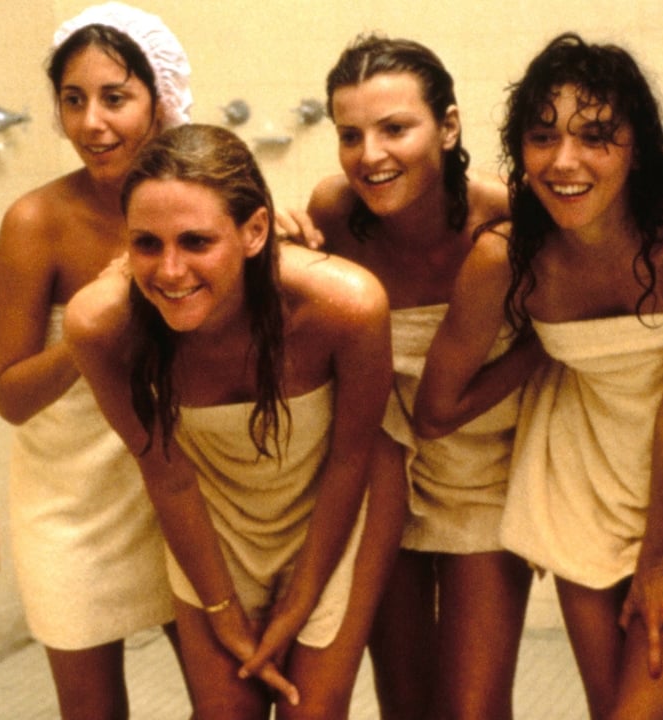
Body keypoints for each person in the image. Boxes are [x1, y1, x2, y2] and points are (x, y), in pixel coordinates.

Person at [415, 33, 663, 720]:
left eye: (596, 136)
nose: (564, 161)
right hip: (587, 479)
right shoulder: (509, 259)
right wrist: (536, 352)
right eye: (543, 136)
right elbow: (434, 412)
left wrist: (659, 562)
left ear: (637, 148)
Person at [65, 123, 405, 719]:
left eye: (196, 242)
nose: (170, 271)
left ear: (254, 231)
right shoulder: (100, 327)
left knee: (311, 711)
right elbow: (167, 477)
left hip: (339, 503)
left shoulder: (345, 306)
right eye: (147, 244)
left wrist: (298, 604)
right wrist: (222, 611)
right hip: (215, 511)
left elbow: (353, 458)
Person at [280, 34, 536, 718]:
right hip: (380, 474)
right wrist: (270, 237)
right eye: (350, 135)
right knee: (405, 701)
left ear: (448, 127)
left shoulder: (509, 214)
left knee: (476, 707)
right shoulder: (335, 213)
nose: (370, 155)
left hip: (485, 477)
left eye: (395, 129)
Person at [0, 3, 191, 718]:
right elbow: (10, 396)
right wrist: (90, 327)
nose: (92, 123)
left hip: (183, 481)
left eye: (115, 97)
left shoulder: (196, 201)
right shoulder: (35, 222)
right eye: (73, 100)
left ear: (159, 99)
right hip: (69, 500)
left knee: (227, 697)